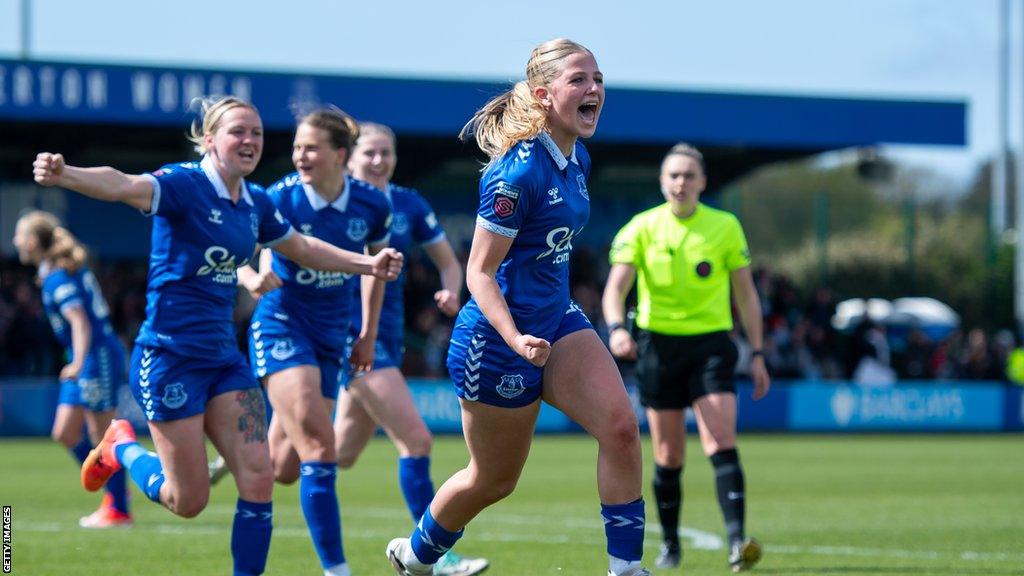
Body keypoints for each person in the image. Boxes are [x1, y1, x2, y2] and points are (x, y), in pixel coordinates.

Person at [32, 95, 402, 576]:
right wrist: (67, 174)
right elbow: (123, 184)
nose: (249, 141)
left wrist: (366, 263)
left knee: (259, 476)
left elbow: (301, 247)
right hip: (168, 356)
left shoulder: (255, 202)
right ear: (209, 140)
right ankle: (120, 445)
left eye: (256, 134)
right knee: (188, 501)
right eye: (237, 132)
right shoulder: (184, 184)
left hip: (224, 359)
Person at [385, 39, 650, 576]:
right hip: (497, 340)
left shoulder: (579, 156)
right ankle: (414, 558)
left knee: (621, 428)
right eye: (579, 79)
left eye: (598, 78)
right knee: (494, 480)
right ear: (543, 94)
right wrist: (513, 337)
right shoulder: (516, 174)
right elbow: (478, 273)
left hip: (558, 321)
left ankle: (625, 569)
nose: (594, 88)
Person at [236, 107, 394, 576]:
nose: (299, 156)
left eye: (311, 148)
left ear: (339, 155)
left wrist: (367, 333)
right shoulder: (277, 197)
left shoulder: (373, 204)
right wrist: (250, 276)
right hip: (282, 325)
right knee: (322, 449)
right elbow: (242, 251)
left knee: (284, 468)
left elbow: (376, 270)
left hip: (332, 334)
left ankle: (242, 455)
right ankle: (336, 570)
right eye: (297, 147)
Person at [601, 143, 770, 573]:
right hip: (658, 347)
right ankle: (671, 545)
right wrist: (618, 329)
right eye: (674, 175)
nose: (681, 183)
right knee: (669, 456)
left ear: (702, 182)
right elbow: (615, 289)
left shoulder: (726, 226)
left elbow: (746, 295)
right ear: (662, 182)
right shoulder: (641, 227)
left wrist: (759, 353)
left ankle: (737, 543)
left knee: (720, 440)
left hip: (712, 346)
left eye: (689, 176)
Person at [335, 122, 488, 576]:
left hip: (388, 337)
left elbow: (447, 261)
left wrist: (449, 290)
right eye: (369, 153)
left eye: (386, 153)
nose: (378, 161)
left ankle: (239, 460)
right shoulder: (334, 201)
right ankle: (433, 556)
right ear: (348, 156)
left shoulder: (408, 203)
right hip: (350, 337)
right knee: (417, 440)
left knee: (336, 454)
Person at [12, 210, 132, 528]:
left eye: (19, 235)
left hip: (94, 356)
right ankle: (113, 488)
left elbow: (79, 320)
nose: (15, 241)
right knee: (64, 432)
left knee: (102, 434)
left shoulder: (57, 276)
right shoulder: (54, 270)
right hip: (85, 356)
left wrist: (78, 362)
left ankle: (119, 507)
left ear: (34, 241)